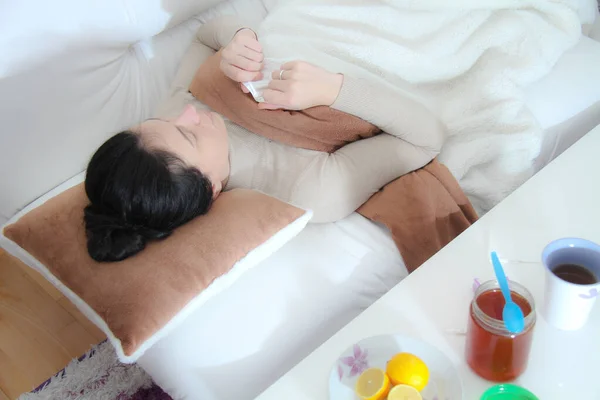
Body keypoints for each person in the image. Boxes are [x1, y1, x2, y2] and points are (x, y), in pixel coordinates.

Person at [84, 16, 445, 262]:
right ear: (210, 187)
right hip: (400, 43)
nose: (187, 113)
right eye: (188, 134)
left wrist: (239, 40)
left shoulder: (171, 112)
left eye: (157, 121)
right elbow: (425, 139)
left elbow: (206, 33)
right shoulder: (305, 189)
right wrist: (333, 89)